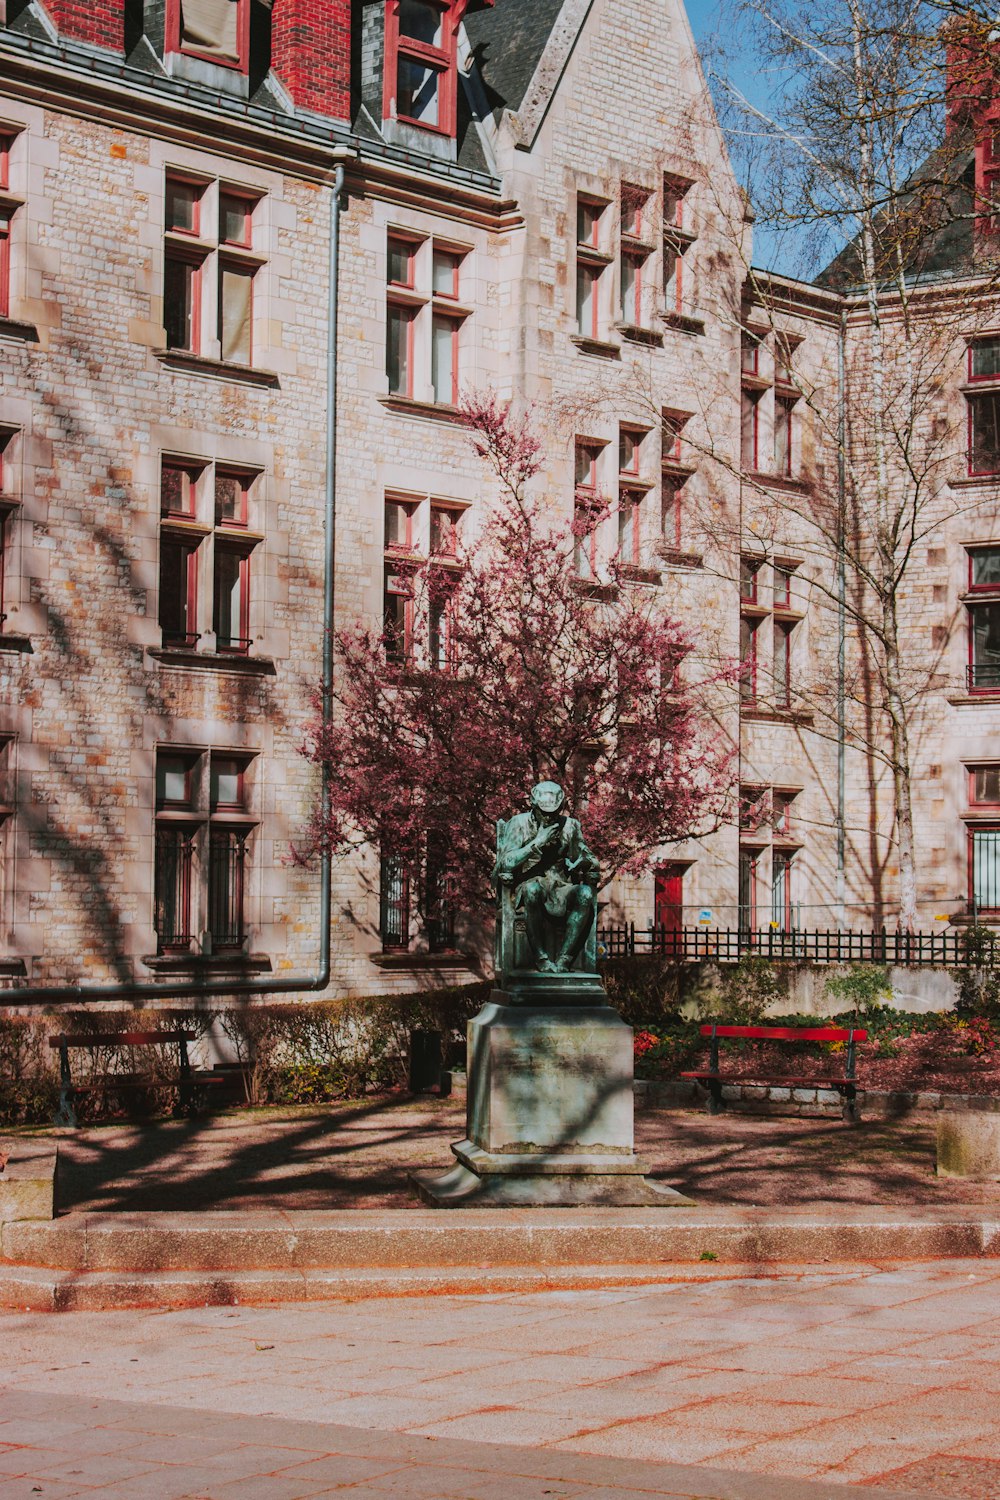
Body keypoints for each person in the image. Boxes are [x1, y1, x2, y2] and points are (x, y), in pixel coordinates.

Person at [493, 780, 599, 973]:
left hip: (561, 886)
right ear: (533, 805)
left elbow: (586, 856)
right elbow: (506, 862)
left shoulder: (571, 826)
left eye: (554, 812)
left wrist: (588, 862)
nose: (549, 817)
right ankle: (541, 958)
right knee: (532, 891)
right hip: (529, 883)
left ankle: (565, 959)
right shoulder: (519, 823)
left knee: (585, 894)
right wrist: (538, 842)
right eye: (544, 812)